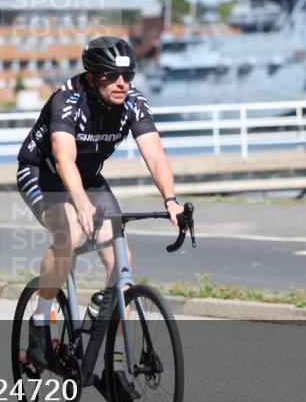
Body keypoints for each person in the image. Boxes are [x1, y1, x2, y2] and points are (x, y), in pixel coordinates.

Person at [16, 35, 184, 371]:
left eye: (128, 76)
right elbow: (64, 160)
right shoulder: (67, 100)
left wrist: (171, 199)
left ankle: (113, 357)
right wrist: (79, 204)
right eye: (112, 76)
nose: (122, 83)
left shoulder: (134, 103)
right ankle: (39, 324)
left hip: (89, 176)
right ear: (92, 78)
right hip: (43, 173)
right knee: (68, 236)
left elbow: (154, 153)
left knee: (122, 261)